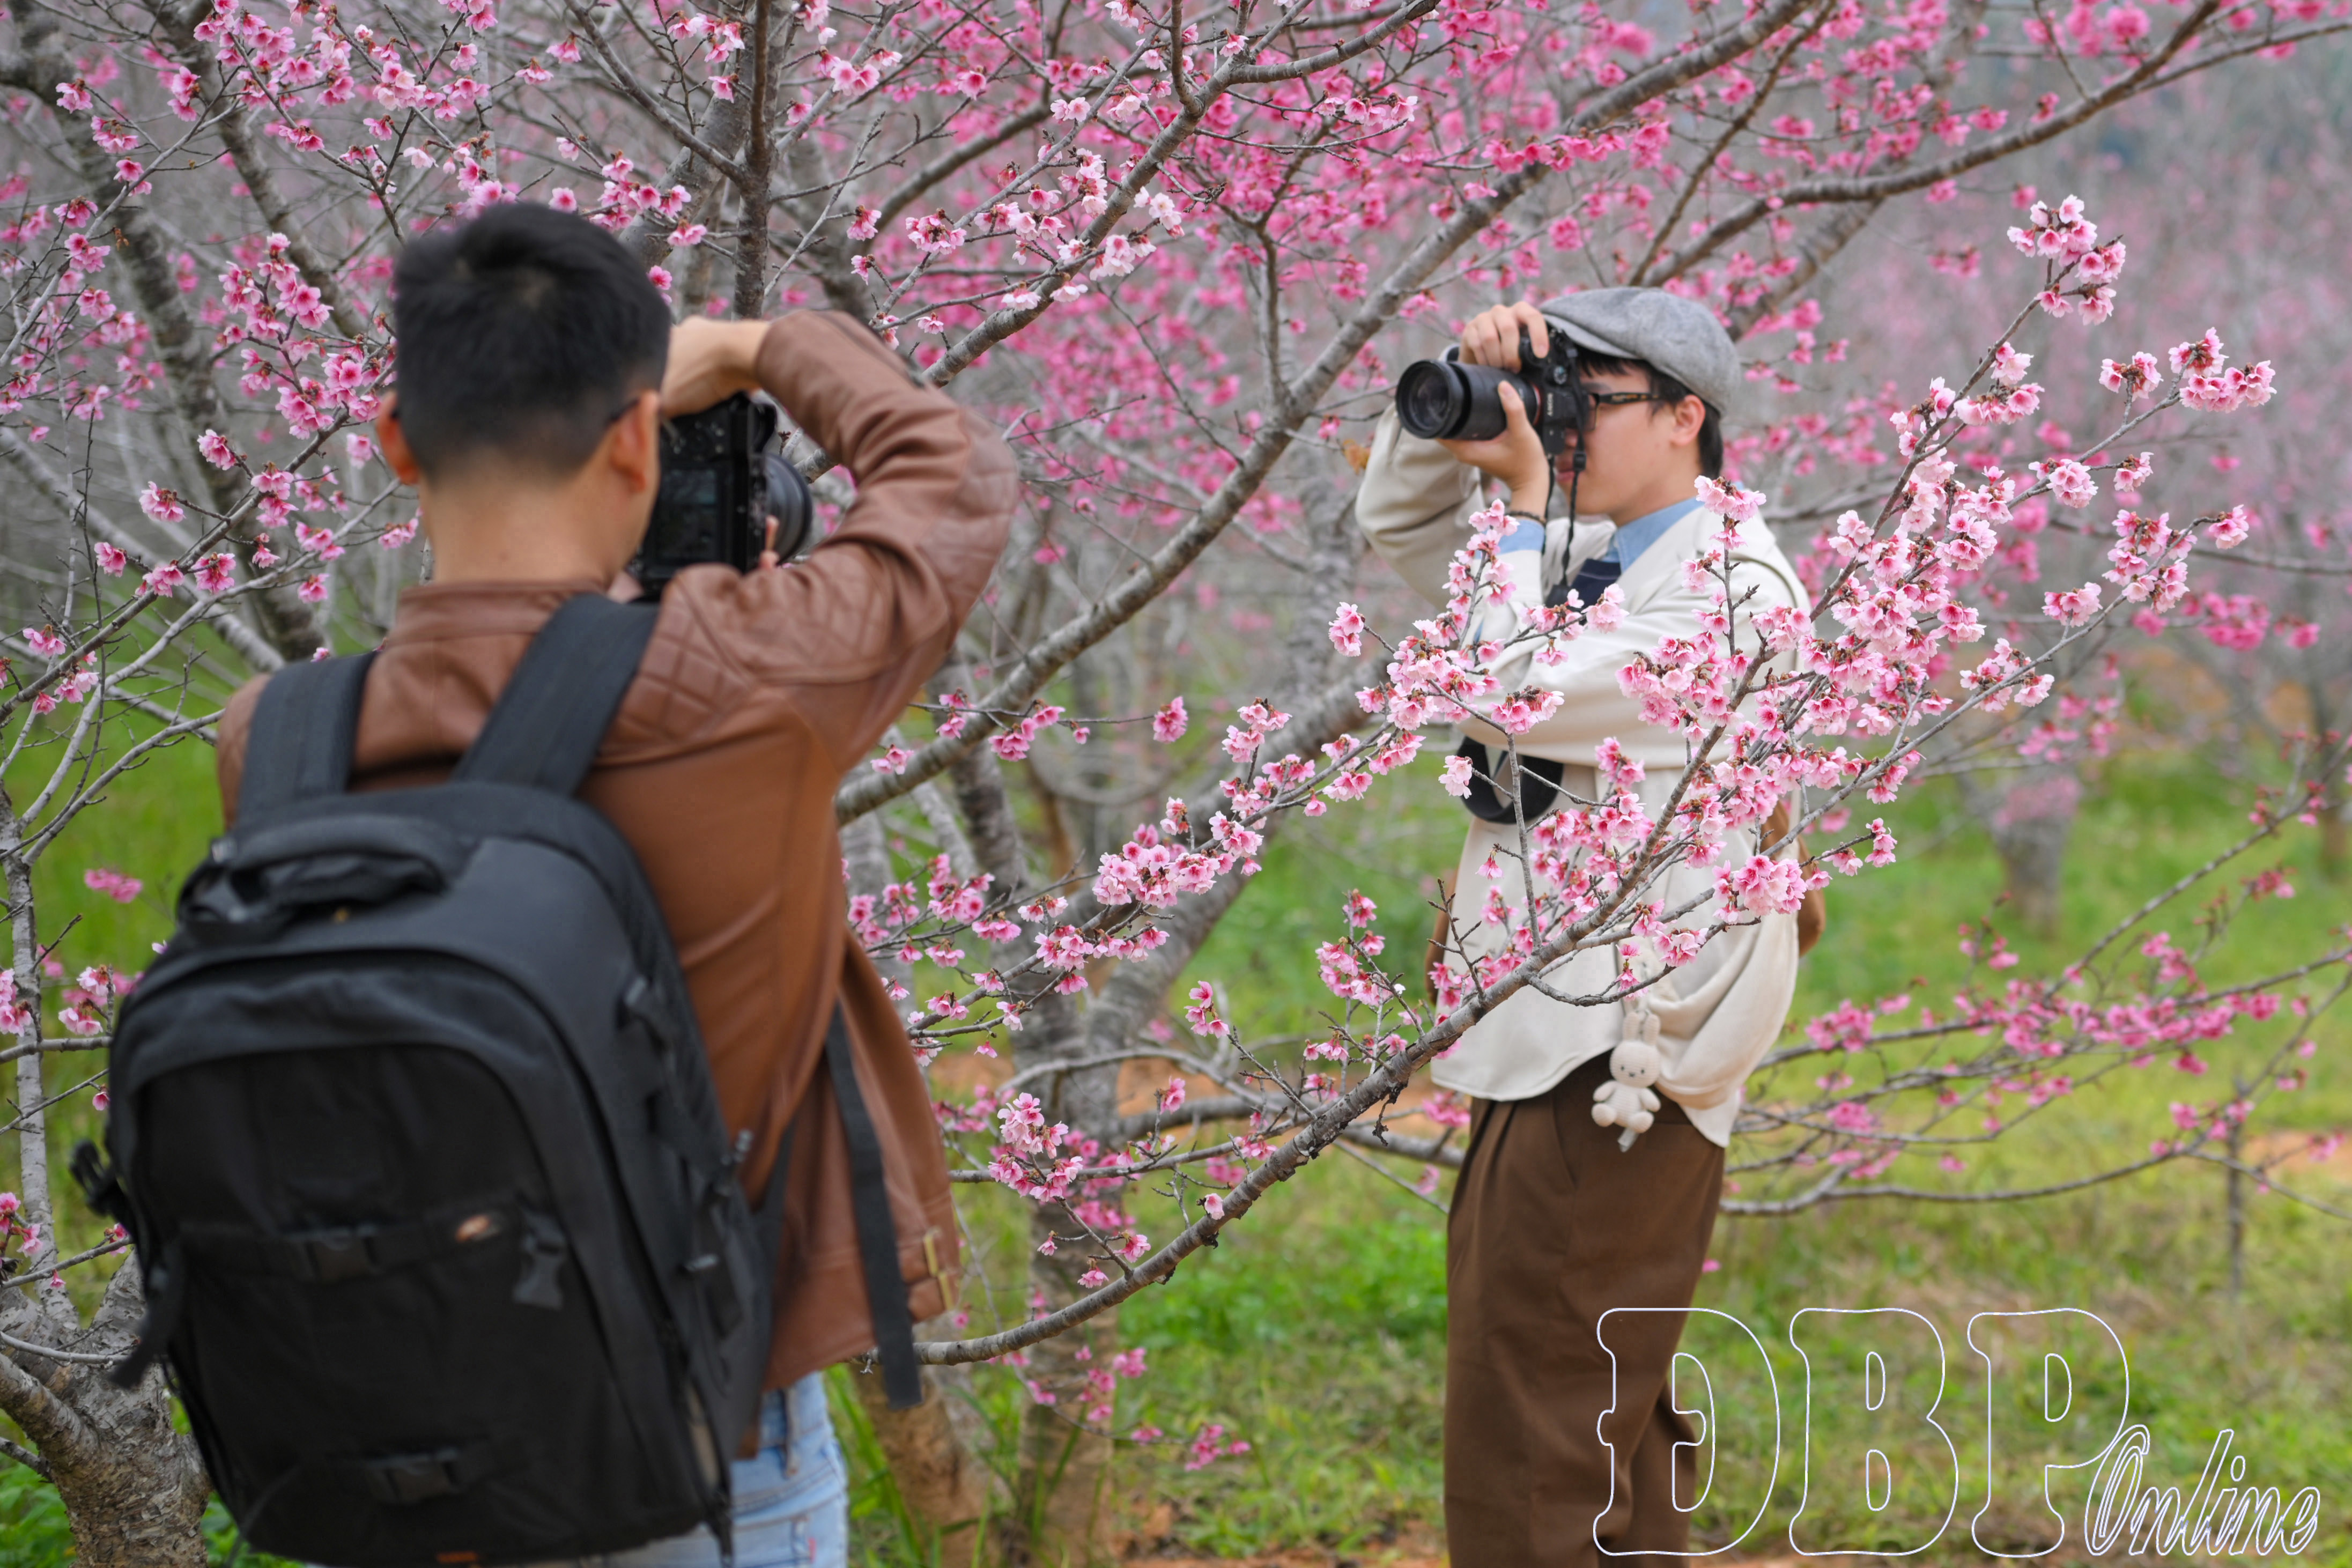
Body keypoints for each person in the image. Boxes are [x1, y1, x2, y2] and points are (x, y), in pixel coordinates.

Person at [212, 204, 1017, 1567]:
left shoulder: (272, 737)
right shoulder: (742, 677)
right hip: (697, 1442)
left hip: (402, 1437)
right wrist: (765, 345)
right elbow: (957, 481)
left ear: (398, 442)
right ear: (638, 438)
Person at [1356, 288, 1810, 1567]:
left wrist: (1511, 510)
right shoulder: (1586, 549)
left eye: (1590, 402)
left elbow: (1507, 689)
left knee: (1532, 1414)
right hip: (1557, 1034)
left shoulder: (1734, 597)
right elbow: (1398, 521)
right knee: (1603, 1397)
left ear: (1686, 418)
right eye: (1559, 397)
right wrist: (1464, 392)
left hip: (1615, 1057)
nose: (1559, 431)